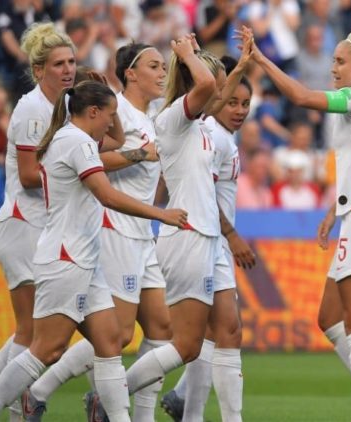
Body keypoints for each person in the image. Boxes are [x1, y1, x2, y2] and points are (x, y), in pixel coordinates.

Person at [0, 80, 188, 422]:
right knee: (47, 349)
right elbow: (108, 195)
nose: (113, 123)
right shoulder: (75, 142)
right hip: (65, 259)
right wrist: (162, 213)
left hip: (86, 259)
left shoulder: (78, 139)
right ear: (93, 112)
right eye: (109, 115)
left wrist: (107, 98)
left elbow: (115, 139)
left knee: (110, 344)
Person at [238, 25, 351, 421]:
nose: (333, 68)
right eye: (332, 61)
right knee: (329, 319)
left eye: (340, 61)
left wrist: (260, 59)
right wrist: (335, 211)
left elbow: (300, 96)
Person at [18, 43, 171, 422]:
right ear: (130, 73)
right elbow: (90, 158)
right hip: (114, 228)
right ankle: (39, 391)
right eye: (155, 66)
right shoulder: (114, 112)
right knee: (114, 337)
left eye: (165, 66)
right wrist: (139, 155)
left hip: (142, 232)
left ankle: (131, 410)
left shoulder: (148, 117)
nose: (163, 73)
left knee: (162, 327)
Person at [0, 22, 78, 421]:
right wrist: (80, 175)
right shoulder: (32, 109)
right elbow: (27, 175)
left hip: (32, 226)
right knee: (34, 333)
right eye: (58, 63)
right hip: (26, 225)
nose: (68, 69)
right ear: (39, 70)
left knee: (38, 332)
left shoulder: (65, 107)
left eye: (72, 61)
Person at [117, 34, 232, 405]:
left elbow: (214, 84)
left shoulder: (199, 127)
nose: (222, 93)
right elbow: (208, 84)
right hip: (187, 235)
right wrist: (185, 54)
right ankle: (109, 399)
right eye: (215, 84)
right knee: (185, 345)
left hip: (203, 236)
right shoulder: (172, 121)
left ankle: (112, 401)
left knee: (187, 344)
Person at [160, 54, 257, 422]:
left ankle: (188, 406)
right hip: (203, 238)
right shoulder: (211, 135)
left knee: (219, 333)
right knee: (211, 335)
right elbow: (206, 194)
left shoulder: (217, 136)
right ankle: (115, 392)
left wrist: (242, 66)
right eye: (232, 101)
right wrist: (232, 235)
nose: (239, 109)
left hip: (210, 239)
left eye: (245, 103)